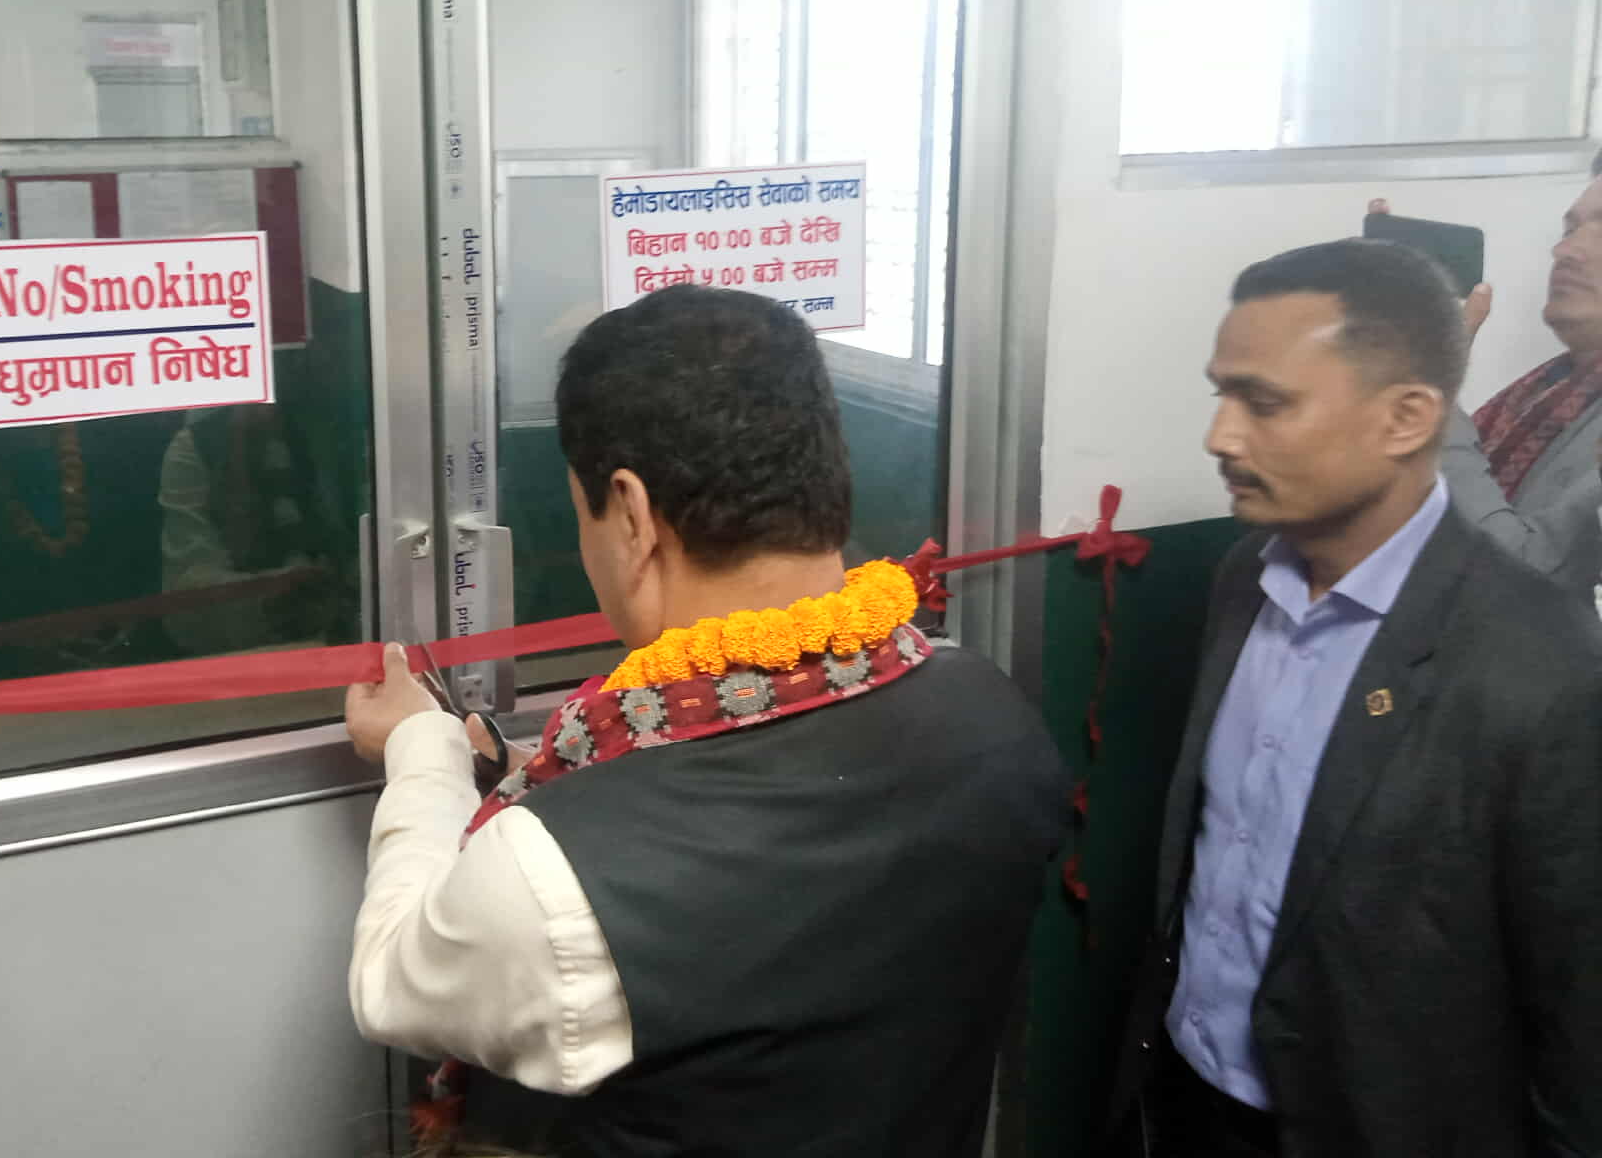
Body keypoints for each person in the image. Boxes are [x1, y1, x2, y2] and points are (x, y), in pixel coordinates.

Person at [343, 285, 1068, 1158]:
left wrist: (420, 747)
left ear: (631, 514)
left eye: (583, 514)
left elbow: (393, 979)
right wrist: (527, 768)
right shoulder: (993, 720)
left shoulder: (558, 883)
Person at [1112, 240, 1602, 1157]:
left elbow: (1580, 1029)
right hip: (1187, 1094)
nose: (1221, 436)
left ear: (1407, 418)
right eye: (1221, 395)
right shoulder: (1243, 580)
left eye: (1265, 403)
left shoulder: (1543, 670)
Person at [1380, 153, 1602, 590]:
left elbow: (1520, 579)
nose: (1565, 251)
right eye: (1569, 230)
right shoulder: (1548, 391)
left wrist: (1431, 390)